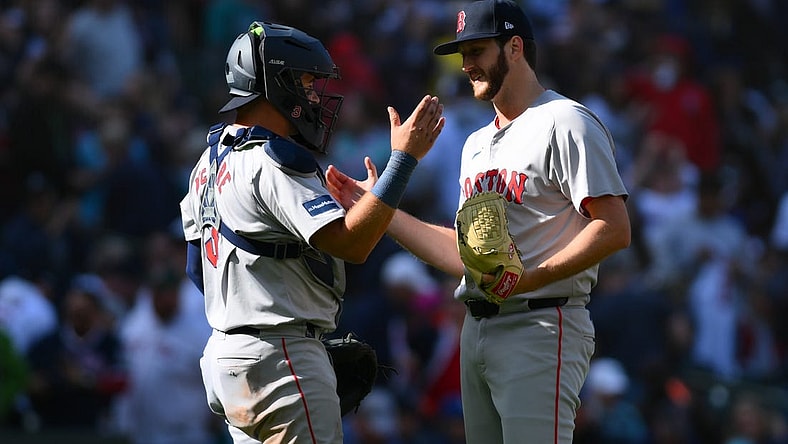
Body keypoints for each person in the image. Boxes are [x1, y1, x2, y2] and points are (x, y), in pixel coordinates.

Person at [326, 1, 631, 442]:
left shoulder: (565, 121)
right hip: (477, 327)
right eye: (462, 53)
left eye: (477, 50)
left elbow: (614, 227)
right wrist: (379, 208)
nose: (466, 64)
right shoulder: (474, 143)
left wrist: (531, 279)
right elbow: (467, 256)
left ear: (514, 47)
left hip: (540, 324)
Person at [179, 21, 444, 444]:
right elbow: (352, 244)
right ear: (276, 84)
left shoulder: (206, 162)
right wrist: (403, 160)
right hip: (281, 357)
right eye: (305, 81)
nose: (315, 95)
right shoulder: (270, 159)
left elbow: (198, 271)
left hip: (225, 359)